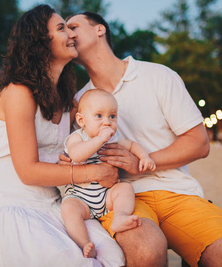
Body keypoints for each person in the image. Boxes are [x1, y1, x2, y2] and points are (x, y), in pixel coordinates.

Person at [62, 11, 222, 267]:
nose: (67, 33)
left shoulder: (158, 76)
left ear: (100, 29)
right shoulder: (80, 102)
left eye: (73, 26)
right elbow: (75, 155)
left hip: (178, 192)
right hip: (120, 198)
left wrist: (143, 163)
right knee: (147, 253)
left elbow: (199, 142)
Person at [0, 5, 124, 267]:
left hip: (52, 202)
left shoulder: (67, 100)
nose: (71, 34)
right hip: (7, 202)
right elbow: (28, 171)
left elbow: (77, 143)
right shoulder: (19, 92)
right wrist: (92, 173)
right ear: (39, 43)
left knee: (112, 257)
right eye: (61, 28)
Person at [61, 88, 155, 258]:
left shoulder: (113, 138)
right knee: (68, 209)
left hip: (106, 196)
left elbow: (131, 145)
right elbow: (76, 154)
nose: (107, 122)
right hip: (80, 198)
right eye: (99, 116)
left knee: (125, 189)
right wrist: (99, 140)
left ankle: (119, 217)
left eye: (112, 116)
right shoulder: (77, 138)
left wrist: (144, 157)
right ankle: (84, 243)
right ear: (81, 120)